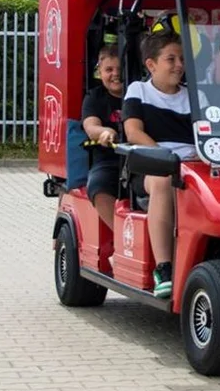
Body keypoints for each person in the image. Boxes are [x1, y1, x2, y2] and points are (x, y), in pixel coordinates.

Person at [122, 30, 208, 299]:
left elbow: (207, 135)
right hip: (151, 165)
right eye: (171, 59)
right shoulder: (139, 91)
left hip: (193, 165)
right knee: (162, 181)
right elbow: (134, 132)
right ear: (151, 64)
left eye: (182, 59)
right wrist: (166, 159)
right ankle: (164, 268)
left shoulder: (196, 96)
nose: (180, 65)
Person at [80, 46, 124, 231]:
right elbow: (91, 127)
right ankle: (120, 238)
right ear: (100, 72)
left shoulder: (139, 92)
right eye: (109, 70)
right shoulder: (94, 97)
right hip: (108, 159)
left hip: (141, 157)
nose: (115, 74)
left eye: (120, 70)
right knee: (99, 186)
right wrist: (104, 132)